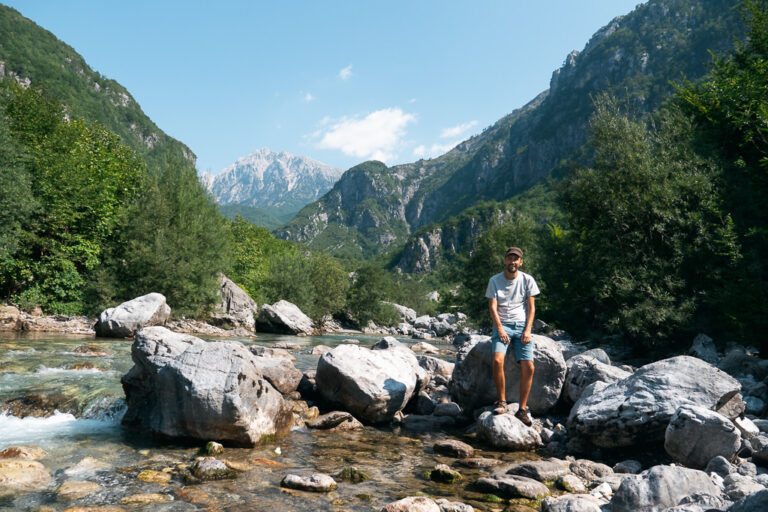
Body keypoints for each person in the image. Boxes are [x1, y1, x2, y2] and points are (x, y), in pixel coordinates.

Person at [485, 246, 540, 426]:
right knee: (498, 361)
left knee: (529, 367)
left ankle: (522, 410)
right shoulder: (494, 280)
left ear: (520, 262)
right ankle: (502, 401)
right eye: (510, 258)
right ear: (504, 260)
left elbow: (531, 307)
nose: (512, 262)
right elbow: (492, 307)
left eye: (516, 259)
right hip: (503, 326)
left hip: (522, 327)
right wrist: (500, 328)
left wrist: (528, 330)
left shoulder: (527, 280)